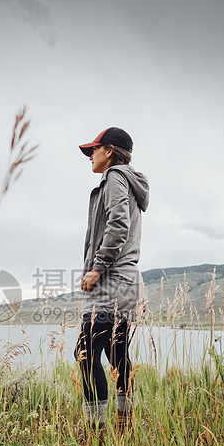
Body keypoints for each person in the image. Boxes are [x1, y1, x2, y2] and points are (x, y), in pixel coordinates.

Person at [75, 127, 149, 429]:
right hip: (126, 280)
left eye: (94, 149)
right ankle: (124, 420)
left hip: (112, 280)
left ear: (110, 151)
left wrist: (97, 267)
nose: (90, 156)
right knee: (117, 353)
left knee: (84, 352)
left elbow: (118, 224)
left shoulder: (115, 178)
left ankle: (97, 428)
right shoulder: (128, 182)